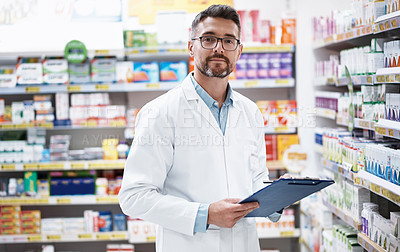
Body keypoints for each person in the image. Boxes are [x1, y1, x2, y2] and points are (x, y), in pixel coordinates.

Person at [119, 4, 285, 252]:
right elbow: (133, 197)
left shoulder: (250, 112)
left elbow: (256, 179)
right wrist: (205, 214)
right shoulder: (160, 113)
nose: (219, 47)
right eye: (208, 39)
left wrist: (278, 197)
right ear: (191, 47)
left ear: (238, 52)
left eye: (228, 41)